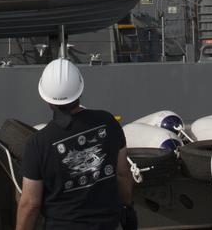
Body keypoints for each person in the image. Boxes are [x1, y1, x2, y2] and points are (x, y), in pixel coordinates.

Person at [16, 59, 135, 230]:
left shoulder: (38, 144)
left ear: (46, 99)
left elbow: (30, 204)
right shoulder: (108, 122)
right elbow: (123, 175)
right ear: (80, 90)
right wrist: (127, 205)